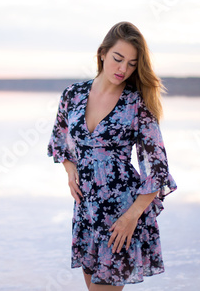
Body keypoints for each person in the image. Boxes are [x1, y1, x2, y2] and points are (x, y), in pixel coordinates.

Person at [47, 21, 177, 290]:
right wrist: (70, 170)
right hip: (86, 212)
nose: (123, 69)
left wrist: (131, 218)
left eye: (131, 64)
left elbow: (157, 169)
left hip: (121, 215)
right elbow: (60, 141)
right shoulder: (73, 94)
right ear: (102, 53)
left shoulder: (137, 104)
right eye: (118, 59)